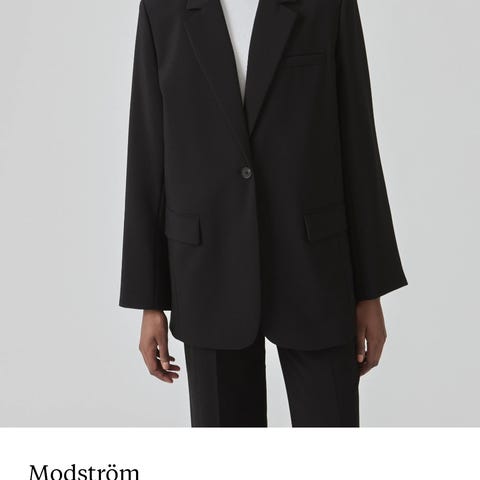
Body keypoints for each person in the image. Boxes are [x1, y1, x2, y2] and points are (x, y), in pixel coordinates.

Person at [119, 0, 407, 427]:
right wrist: (150, 301)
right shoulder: (164, 8)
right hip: (207, 270)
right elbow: (148, 149)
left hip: (316, 269)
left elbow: (357, 139)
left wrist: (370, 291)